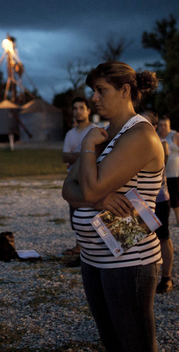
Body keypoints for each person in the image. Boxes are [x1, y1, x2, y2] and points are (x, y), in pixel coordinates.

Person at [62, 61, 164, 352]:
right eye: (93, 90)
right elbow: (67, 189)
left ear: (125, 91)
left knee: (135, 344)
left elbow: (88, 187)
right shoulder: (106, 134)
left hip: (130, 261)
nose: (94, 98)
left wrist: (86, 146)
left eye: (101, 90)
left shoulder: (140, 135)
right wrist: (101, 197)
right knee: (112, 342)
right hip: (95, 259)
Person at [143, 111, 175, 295]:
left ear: (154, 127)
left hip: (159, 199)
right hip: (139, 201)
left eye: (144, 122)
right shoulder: (133, 143)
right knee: (140, 238)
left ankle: (167, 277)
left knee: (163, 237)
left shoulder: (161, 144)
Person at [62, 97, 96, 266]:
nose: (78, 111)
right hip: (73, 179)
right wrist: (85, 154)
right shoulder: (70, 134)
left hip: (89, 178)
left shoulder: (95, 130)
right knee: (75, 214)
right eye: (75, 108)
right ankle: (79, 247)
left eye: (82, 108)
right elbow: (64, 156)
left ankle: (90, 252)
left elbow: (97, 155)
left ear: (88, 110)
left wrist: (81, 155)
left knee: (90, 213)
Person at [156, 115, 179, 227]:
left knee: (175, 195)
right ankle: (161, 219)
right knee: (162, 197)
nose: (163, 127)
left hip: (174, 171)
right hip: (160, 173)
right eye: (160, 125)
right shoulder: (155, 136)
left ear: (169, 126)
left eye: (165, 125)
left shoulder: (174, 135)